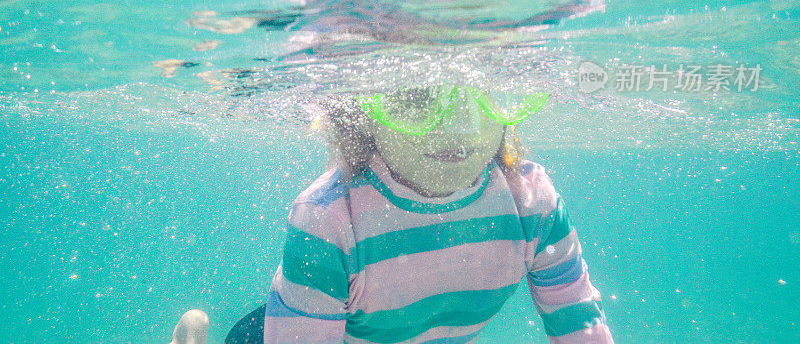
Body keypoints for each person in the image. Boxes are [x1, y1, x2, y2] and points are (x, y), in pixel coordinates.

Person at [175, 85, 614, 343]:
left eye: (486, 97)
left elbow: (576, 312)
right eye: (418, 99)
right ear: (360, 116)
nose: (461, 126)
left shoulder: (530, 200)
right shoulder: (329, 218)